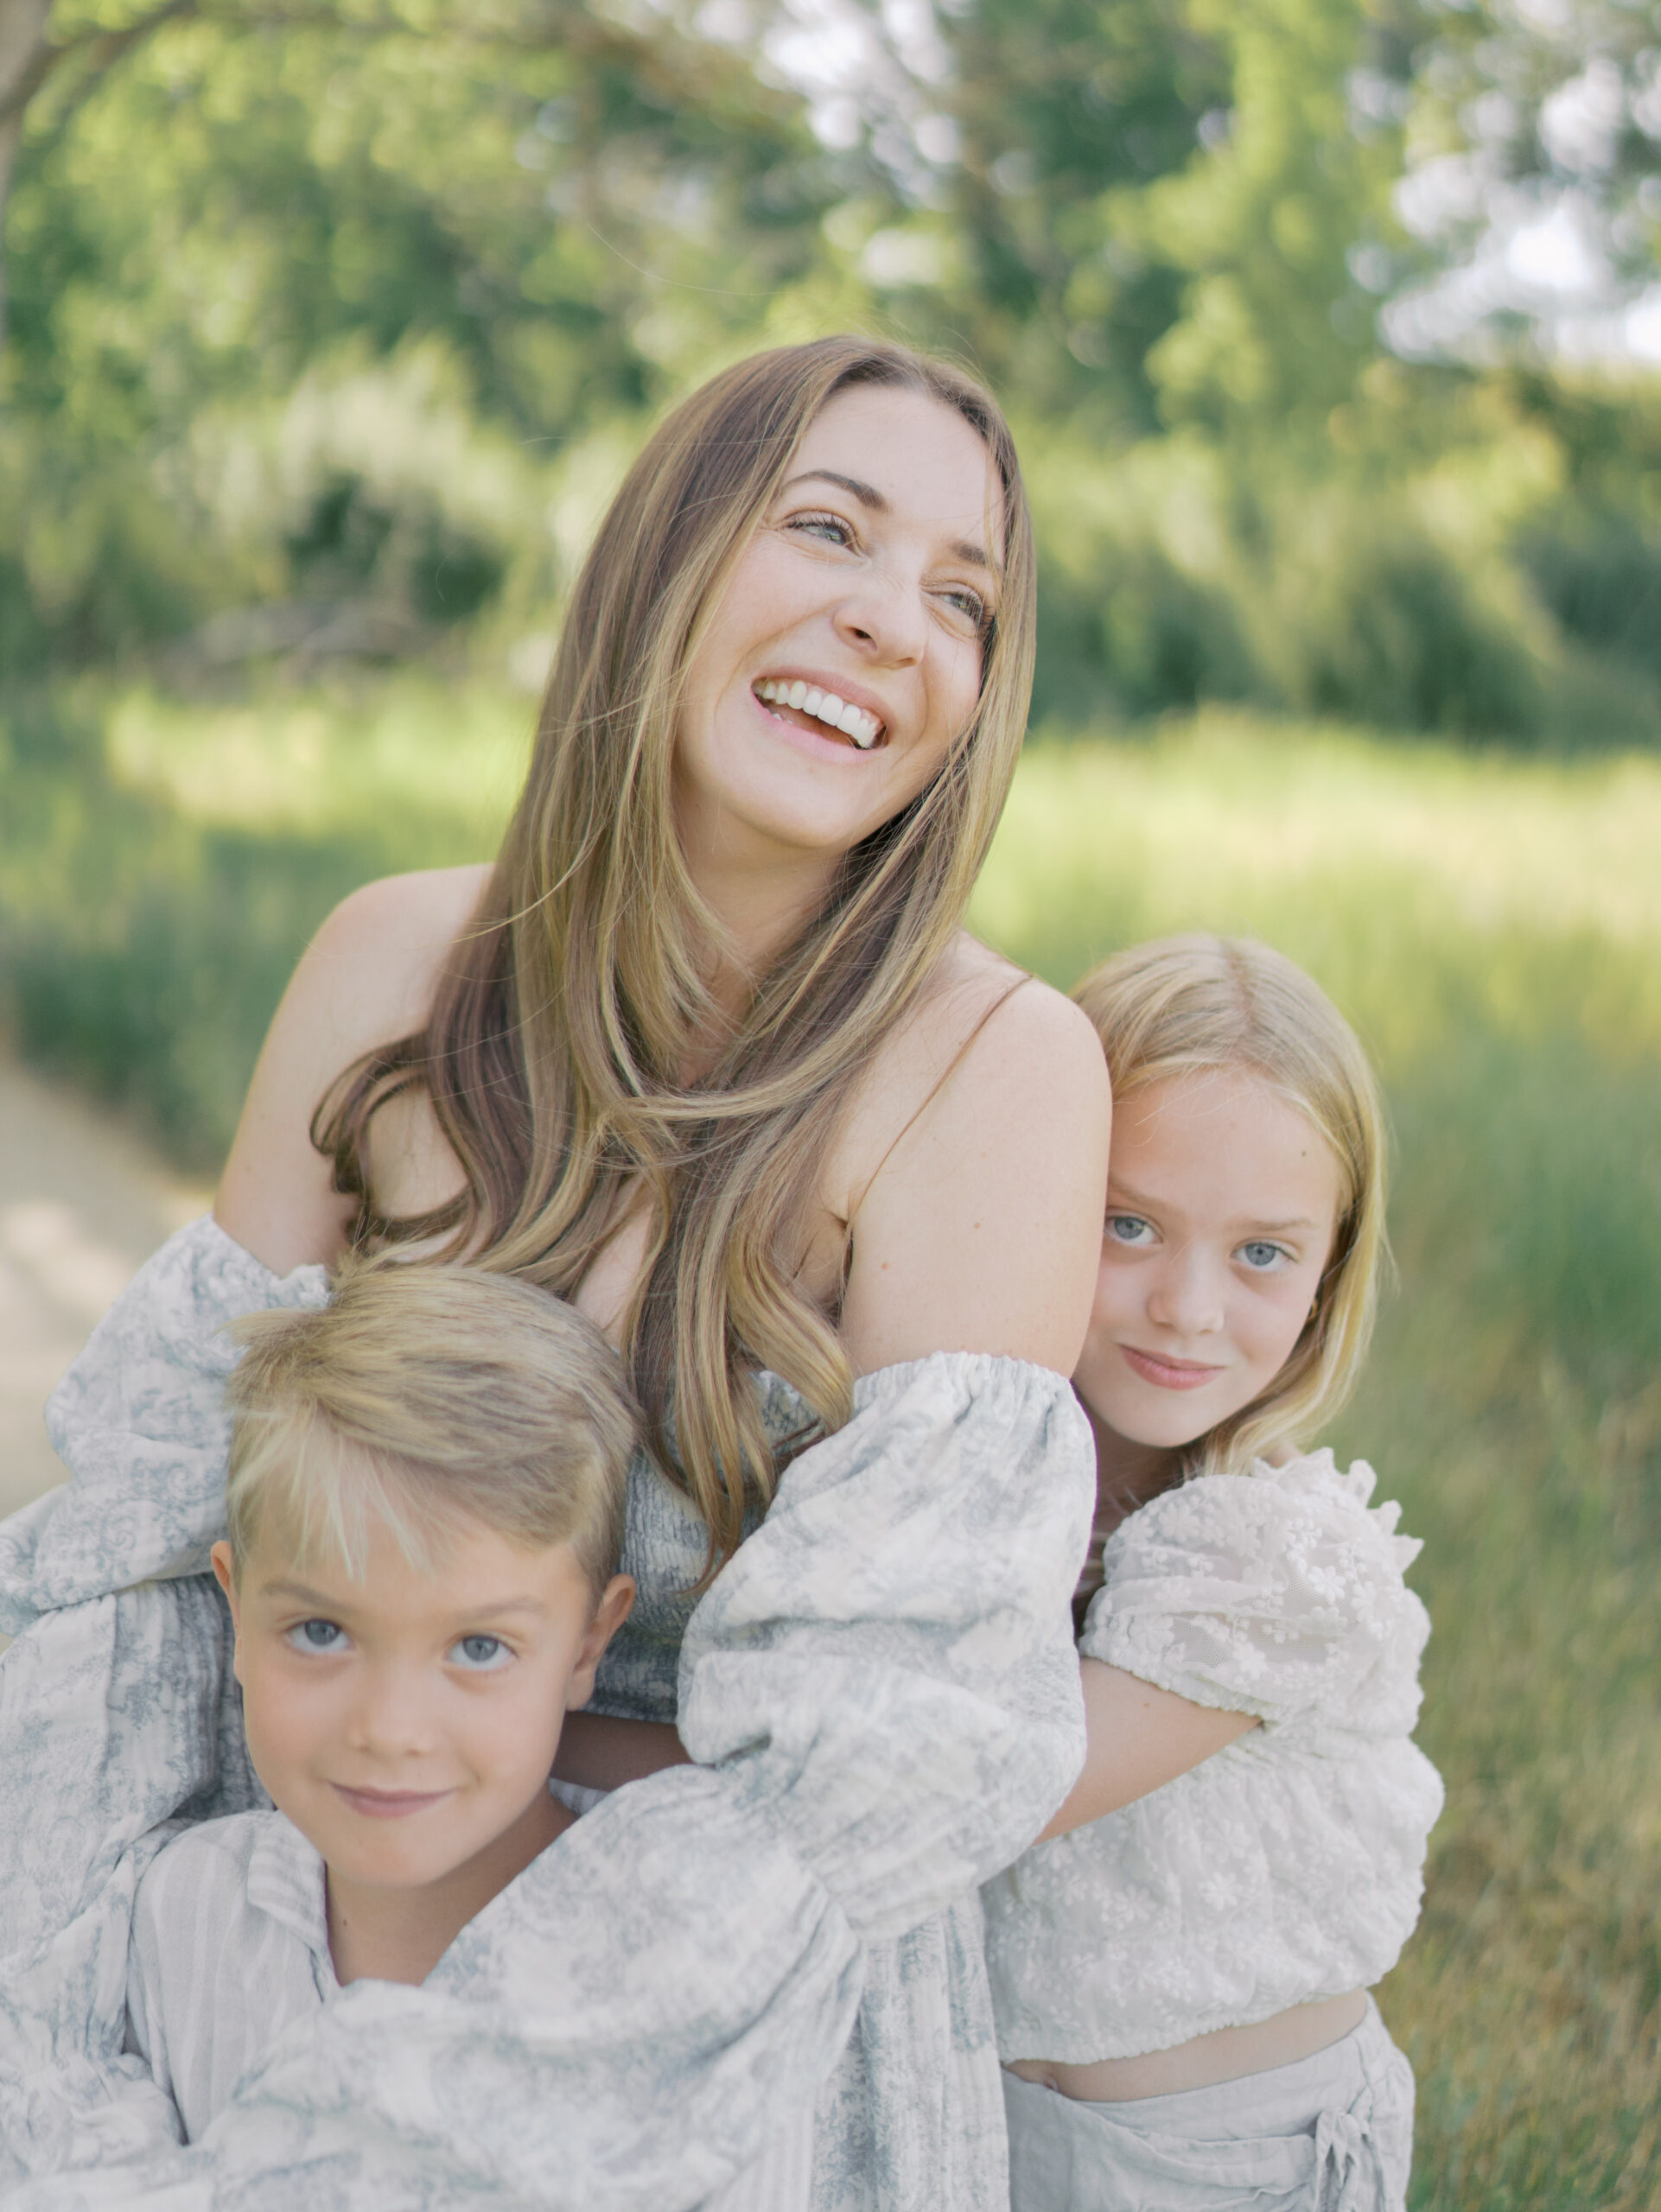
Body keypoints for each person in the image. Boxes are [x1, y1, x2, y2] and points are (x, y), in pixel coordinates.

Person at [0, 337, 1111, 2209]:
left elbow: (856, 1774)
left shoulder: (991, 1069)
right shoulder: (389, 966)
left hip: (712, 2066)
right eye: (824, 528)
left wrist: (338, 2165)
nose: (883, 623)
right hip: (272, 1955)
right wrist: (77, 2094)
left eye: (961, 600)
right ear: (661, 560)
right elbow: (135, 1581)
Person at [983, 935, 1442, 2212]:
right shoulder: (1000, 1482)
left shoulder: (1279, 1559)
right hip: (995, 2141)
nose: (1186, 1307)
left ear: (1327, 1272)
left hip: (1222, 2166)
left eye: (1260, 1255)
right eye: (1126, 1224)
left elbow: (986, 1789)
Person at [124, 1258, 638, 2141]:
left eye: (479, 1647)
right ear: (237, 1609)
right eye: (321, 1630)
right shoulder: (186, 1912)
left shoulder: (669, 1948)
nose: (389, 1731)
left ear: (588, 1642)